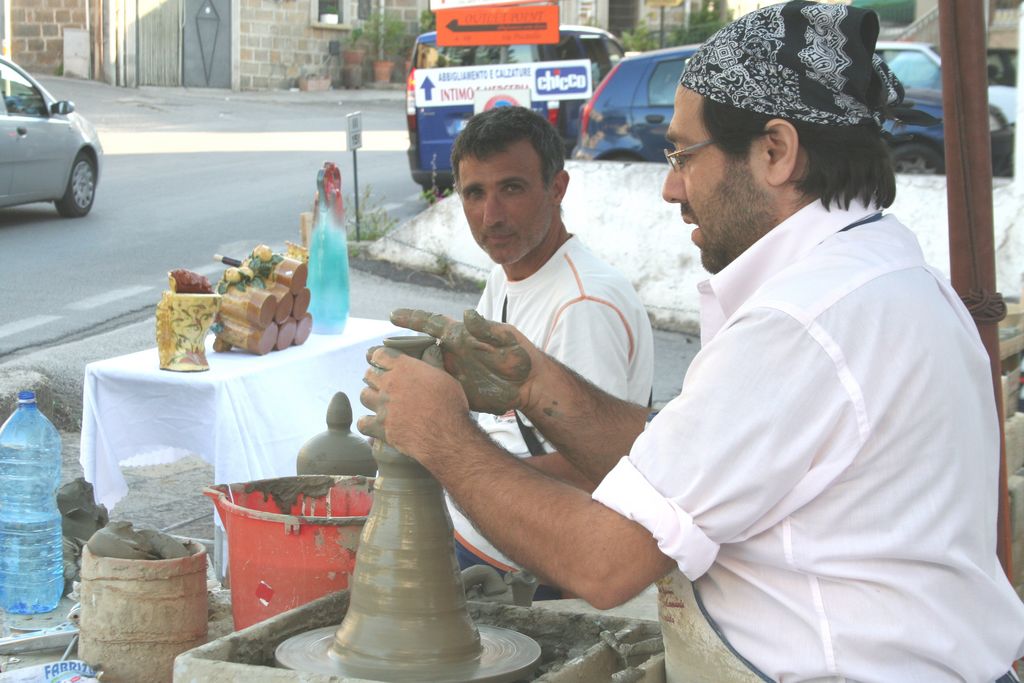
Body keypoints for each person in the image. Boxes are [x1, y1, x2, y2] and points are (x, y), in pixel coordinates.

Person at [359, 2, 1024, 680]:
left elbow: (604, 561)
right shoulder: (884, 273)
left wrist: (440, 436)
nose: (671, 187)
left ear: (775, 151)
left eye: (682, 154)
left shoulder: (802, 323)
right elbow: (680, 464)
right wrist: (535, 384)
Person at [446, 105, 654, 598]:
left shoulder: (583, 305)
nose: (491, 215)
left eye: (512, 188)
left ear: (557, 188)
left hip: (532, 574)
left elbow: (596, 469)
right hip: (484, 537)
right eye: (475, 193)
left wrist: (452, 466)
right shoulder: (507, 271)